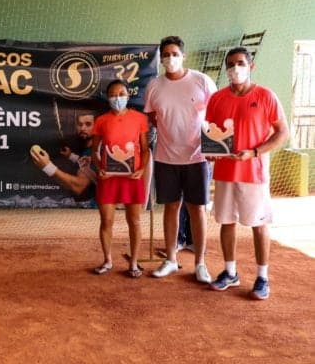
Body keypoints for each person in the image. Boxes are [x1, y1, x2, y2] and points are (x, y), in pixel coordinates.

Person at [206, 47, 288, 300]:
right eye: (231, 64)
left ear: (251, 66)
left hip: (254, 172)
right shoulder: (217, 98)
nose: (235, 68)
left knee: (259, 224)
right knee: (226, 221)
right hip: (225, 172)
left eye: (240, 63)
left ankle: (262, 277)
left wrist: (254, 152)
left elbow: (282, 133)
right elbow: (211, 133)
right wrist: (210, 152)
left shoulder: (266, 96)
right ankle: (230, 272)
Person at [144, 35, 216, 283]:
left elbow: (215, 114)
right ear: (160, 58)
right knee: (171, 207)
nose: (170, 58)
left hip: (197, 158)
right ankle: (171, 260)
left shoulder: (201, 81)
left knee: (197, 209)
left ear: (183, 56)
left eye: (174, 54)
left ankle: (200, 264)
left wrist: (213, 146)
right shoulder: (154, 86)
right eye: (165, 54)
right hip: (166, 158)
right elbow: (152, 117)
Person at [90, 80, 149, 277]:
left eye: (121, 94)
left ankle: (134, 263)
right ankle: (107, 260)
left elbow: (145, 149)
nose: (118, 98)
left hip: (133, 177)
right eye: (113, 95)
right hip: (108, 177)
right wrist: (99, 167)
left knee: (135, 221)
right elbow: (94, 151)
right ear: (108, 98)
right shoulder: (101, 121)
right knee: (106, 221)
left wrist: (141, 169)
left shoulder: (139, 118)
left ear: (128, 95)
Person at [29, 111, 97, 199]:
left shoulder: (96, 151)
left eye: (88, 124)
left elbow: (79, 187)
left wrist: (47, 166)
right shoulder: (88, 148)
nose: (82, 128)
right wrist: (70, 156)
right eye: (80, 124)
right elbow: (88, 165)